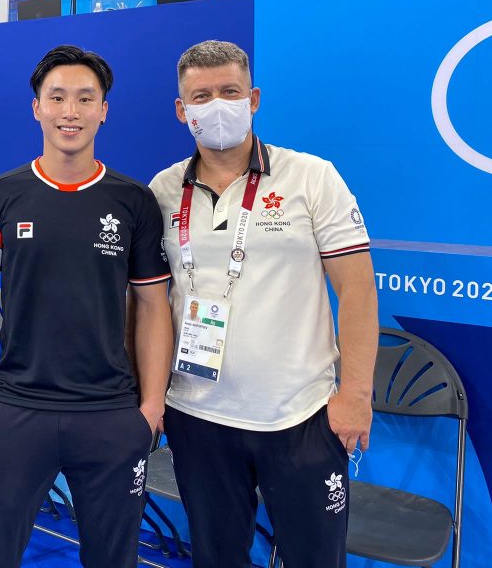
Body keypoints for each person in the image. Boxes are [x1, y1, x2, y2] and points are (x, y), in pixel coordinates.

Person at [148, 40, 378, 568]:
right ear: (182, 111)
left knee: (315, 558)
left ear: (253, 99)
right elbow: (149, 304)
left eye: (229, 92)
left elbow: (358, 290)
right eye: (200, 96)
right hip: (196, 414)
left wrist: (356, 393)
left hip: (299, 417)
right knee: (216, 557)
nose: (216, 106)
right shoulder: (161, 191)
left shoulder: (311, 177)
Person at [0, 44, 174, 568]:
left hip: (111, 415)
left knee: (112, 560)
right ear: (37, 108)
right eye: (57, 98)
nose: (69, 111)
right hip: (15, 412)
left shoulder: (132, 200)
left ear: (104, 109)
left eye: (84, 98)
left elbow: (152, 307)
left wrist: (150, 408)